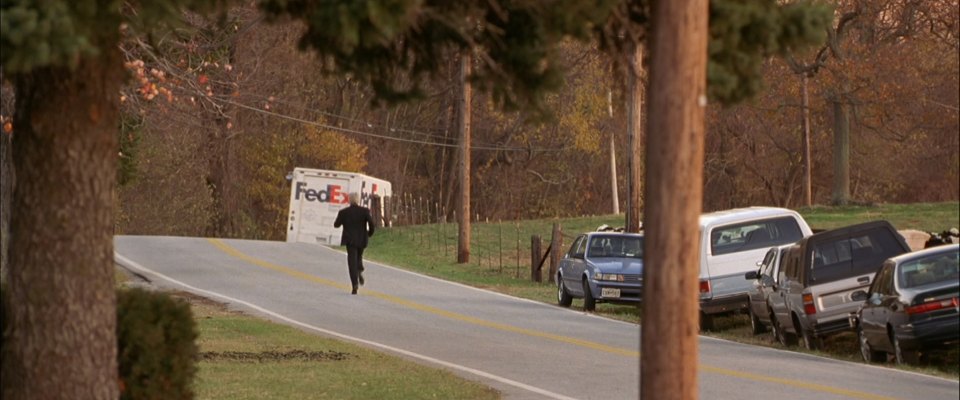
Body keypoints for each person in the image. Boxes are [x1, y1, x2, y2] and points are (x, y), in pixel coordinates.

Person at [333, 192, 375, 294]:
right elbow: (372, 223)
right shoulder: (364, 211)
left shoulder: (344, 212)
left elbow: (336, 225)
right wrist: (369, 233)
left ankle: (354, 285)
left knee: (352, 262)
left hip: (350, 240)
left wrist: (343, 221)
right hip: (361, 239)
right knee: (359, 256)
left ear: (349, 200)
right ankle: (359, 270)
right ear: (358, 200)